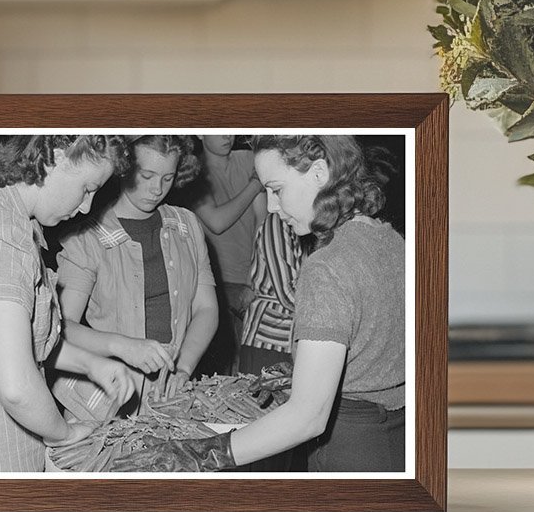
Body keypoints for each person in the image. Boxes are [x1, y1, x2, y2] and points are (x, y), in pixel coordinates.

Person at [110, 135, 405, 474]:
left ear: (319, 173)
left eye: (277, 189)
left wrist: (200, 455)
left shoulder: (327, 266)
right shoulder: (390, 240)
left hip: (351, 444)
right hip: (396, 435)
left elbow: (307, 418)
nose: (273, 207)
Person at [0, 134, 137, 473]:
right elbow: (16, 387)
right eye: (87, 188)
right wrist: (64, 434)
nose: (86, 207)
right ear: (54, 156)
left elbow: (12, 344)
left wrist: (91, 364)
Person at [54, 135, 219, 418]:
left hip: (171, 397)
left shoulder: (187, 226)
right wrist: (122, 345)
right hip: (106, 399)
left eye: (168, 178)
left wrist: (184, 368)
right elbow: (60, 328)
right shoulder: (86, 239)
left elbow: (206, 308)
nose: (157, 189)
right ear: (123, 168)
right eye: (147, 175)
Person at [192, 135, 266, 373]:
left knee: (252, 367)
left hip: (253, 279)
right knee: (223, 368)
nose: (228, 135)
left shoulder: (249, 159)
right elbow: (217, 221)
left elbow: (262, 222)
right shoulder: (192, 170)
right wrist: (255, 184)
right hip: (215, 285)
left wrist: (254, 277)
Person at [238, 211, 303, 375]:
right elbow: (287, 292)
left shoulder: (306, 225)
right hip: (269, 340)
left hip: (294, 339)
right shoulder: (278, 222)